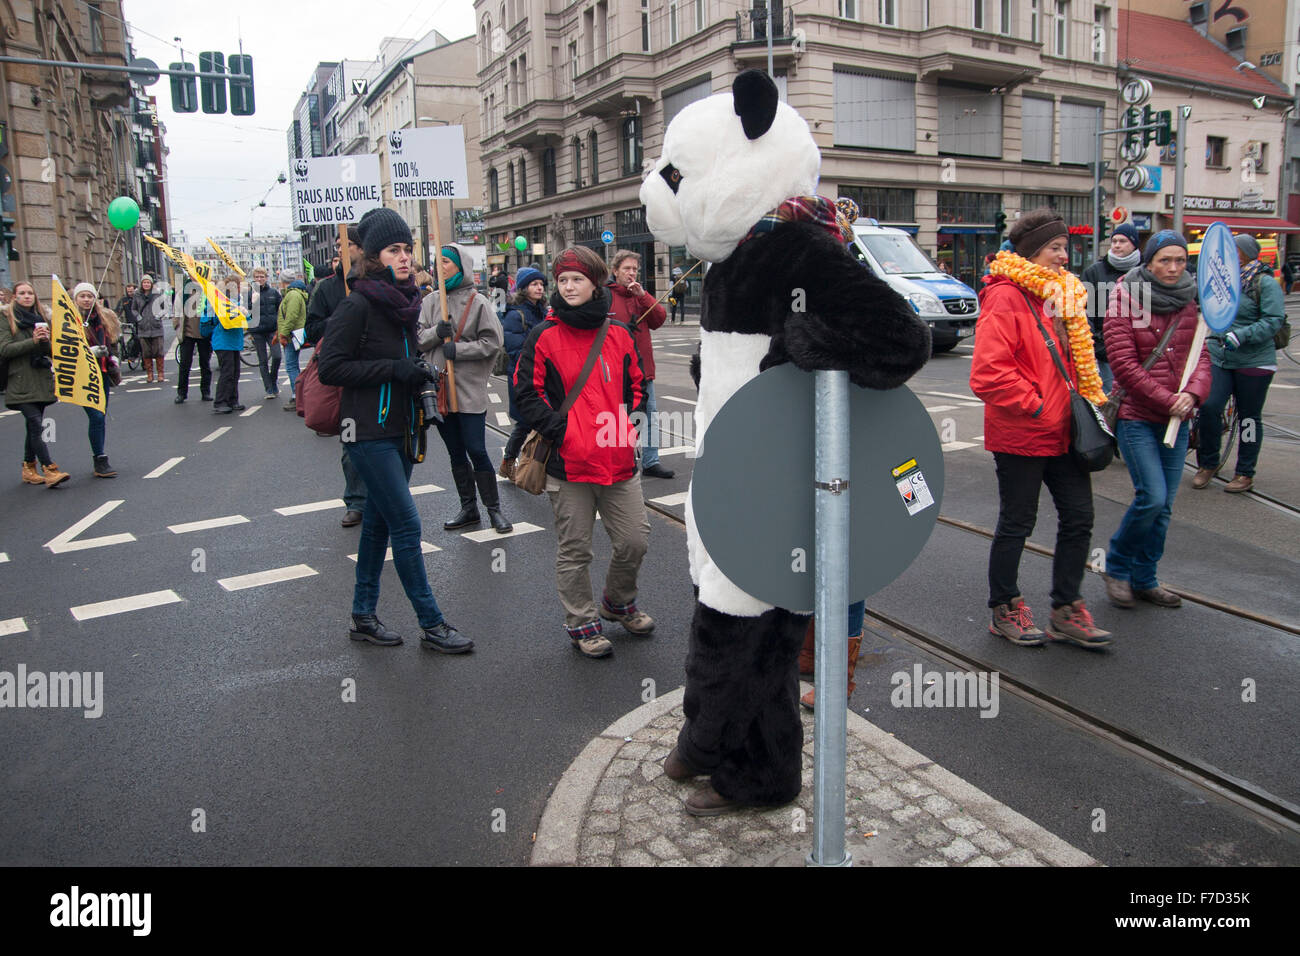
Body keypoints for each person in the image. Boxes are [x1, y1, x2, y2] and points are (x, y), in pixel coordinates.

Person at [315, 206, 471, 654]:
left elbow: (402, 359)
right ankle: (432, 624)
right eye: (393, 250)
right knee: (405, 523)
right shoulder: (358, 303)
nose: (404, 258)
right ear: (372, 256)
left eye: (407, 249)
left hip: (401, 429)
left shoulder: (404, 303)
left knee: (378, 526)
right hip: (366, 432)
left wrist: (416, 369)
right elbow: (332, 368)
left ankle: (363, 615)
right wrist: (396, 370)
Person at [970, 207, 1112, 649]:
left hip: (1065, 431)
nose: (1065, 257)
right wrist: (1037, 406)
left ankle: (1066, 608)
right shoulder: (1005, 296)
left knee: (1079, 518)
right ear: (1033, 252)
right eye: (1056, 247)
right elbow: (988, 373)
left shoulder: (1062, 295)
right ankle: (1005, 607)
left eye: (1066, 247)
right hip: (1025, 432)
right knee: (1018, 522)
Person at [515, 246, 651, 659]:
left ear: (595, 283)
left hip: (617, 457)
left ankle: (617, 601)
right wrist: (563, 431)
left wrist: (629, 425)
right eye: (562, 280)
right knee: (576, 550)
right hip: (569, 463)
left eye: (577, 279)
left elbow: (638, 387)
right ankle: (582, 622)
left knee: (635, 541)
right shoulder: (545, 335)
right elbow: (525, 394)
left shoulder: (618, 334)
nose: (568, 286)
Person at [1102, 230, 1211, 611]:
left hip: (1177, 419)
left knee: (1164, 507)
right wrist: (1170, 400)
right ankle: (1116, 567)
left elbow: (1203, 356)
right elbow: (1124, 366)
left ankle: (1145, 578)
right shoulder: (1124, 298)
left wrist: (1193, 394)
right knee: (1151, 497)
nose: (1173, 267)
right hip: (1137, 417)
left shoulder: (1191, 302)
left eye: (1180, 260)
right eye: (1165, 260)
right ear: (1148, 262)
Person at [417, 243, 511, 534]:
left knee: (476, 449)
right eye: (437, 261)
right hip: (441, 391)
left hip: (468, 391)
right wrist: (436, 334)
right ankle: (468, 508)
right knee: (456, 452)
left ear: (461, 267)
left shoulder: (478, 302)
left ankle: (494, 509)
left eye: (446, 261)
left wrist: (458, 349)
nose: (439, 266)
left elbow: (492, 342)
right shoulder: (431, 301)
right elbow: (418, 339)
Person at [1192, 234, 1286, 495]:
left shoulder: (1264, 283)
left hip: (1254, 360)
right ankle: (1208, 463)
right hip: (1220, 355)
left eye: (1234, 250)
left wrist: (1242, 335)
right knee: (1209, 407)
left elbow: (1274, 320)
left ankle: (1245, 471)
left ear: (1245, 253)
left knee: (1248, 418)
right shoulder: (1220, 279)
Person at [306, 226, 367, 528]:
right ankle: (356, 501)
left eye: (347, 245)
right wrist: (341, 321)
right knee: (350, 442)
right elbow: (311, 330)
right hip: (343, 378)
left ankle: (382, 497)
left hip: (373, 371)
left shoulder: (373, 284)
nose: (341, 251)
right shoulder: (327, 289)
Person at [607, 249, 673, 479]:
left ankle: (651, 460)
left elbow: (659, 319)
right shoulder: (606, 296)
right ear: (615, 271)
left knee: (650, 413)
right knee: (618, 414)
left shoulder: (640, 296)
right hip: (615, 369)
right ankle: (618, 459)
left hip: (643, 369)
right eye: (627, 268)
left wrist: (643, 295)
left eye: (635, 269)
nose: (631, 273)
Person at [1, 281, 69, 487]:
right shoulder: (6, 318)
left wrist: (45, 341)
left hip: (40, 379)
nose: (27, 296)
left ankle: (28, 468)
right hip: (19, 381)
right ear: (14, 297)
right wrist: (32, 341)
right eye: (22, 293)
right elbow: (4, 349)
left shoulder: (40, 319)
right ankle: (49, 469)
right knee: (36, 424)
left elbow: (51, 351)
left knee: (33, 426)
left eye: (30, 293)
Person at [498, 265, 547, 480]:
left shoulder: (544, 312)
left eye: (541, 284)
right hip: (523, 377)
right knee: (525, 422)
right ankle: (509, 461)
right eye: (534, 284)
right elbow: (515, 349)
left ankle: (540, 466)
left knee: (545, 421)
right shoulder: (515, 315)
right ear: (523, 288)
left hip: (544, 375)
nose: (539, 288)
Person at [1080, 223, 1141, 393]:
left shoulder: (1145, 272)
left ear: (1134, 244)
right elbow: (1085, 312)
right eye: (1114, 241)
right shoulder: (1094, 272)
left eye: (1122, 241)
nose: (1116, 245)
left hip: (1137, 354)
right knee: (1109, 402)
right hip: (1104, 353)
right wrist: (1098, 347)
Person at [72, 282, 120, 477]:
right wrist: (88, 352)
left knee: (100, 417)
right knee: (96, 416)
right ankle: (100, 458)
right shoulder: (70, 321)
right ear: (75, 300)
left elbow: (112, 343)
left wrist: (113, 359)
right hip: (82, 375)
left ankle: (99, 459)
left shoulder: (104, 319)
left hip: (102, 373)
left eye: (89, 296)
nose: (86, 299)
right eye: (82, 296)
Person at [206, 268, 245, 414]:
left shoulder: (237, 300)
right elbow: (218, 319)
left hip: (233, 340)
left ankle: (232, 400)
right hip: (223, 340)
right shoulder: (221, 301)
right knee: (227, 372)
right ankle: (221, 401)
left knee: (235, 372)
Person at [172, 272, 212, 404]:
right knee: (184, 364)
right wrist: (177, 326)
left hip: (204, 332)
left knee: (205, 364)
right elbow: (176, 310)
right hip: (187, 332)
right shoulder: (183, 291)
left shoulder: (208, 290)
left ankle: (206, 391)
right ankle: (182, 393)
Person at [244, 267, 283, 400]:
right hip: (257, 331)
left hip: (272, 330)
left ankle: (273, 380)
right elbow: (245, 313)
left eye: (262, 277)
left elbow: (281, 310)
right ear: (253, 279)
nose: (259, 279)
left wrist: (280, 327)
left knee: (277, 356)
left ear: (266, 278)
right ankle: (269, 388)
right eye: (257, 277)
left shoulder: (273, 293)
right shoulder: (249, 295)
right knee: (263, 361)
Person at [277, 271, 309, 410]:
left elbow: (291, 316)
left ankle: (297, 396)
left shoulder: (292, 295)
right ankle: (298, 395)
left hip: (292, 334)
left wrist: (283, 333)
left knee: (291, 366)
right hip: (294, 333)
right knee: (293, 365)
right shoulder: (295, 293)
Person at [132, 274, 167, 384]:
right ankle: (150, 374)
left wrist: (159, 316)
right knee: (146, 353)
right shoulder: (137, 295)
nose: (146, 284)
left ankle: (160, 373)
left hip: (156, 327)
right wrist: (139, 318)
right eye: (144, 282)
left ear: (151, 284)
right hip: (143, 328)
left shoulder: (157, 294)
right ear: (141, 284)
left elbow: (165, 307)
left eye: (148, 282)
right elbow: (133, 309)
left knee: (159, 351)